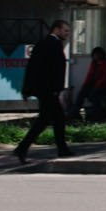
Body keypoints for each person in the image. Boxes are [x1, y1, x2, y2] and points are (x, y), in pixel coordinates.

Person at [13, 20, 75, 164]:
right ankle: (23, 148)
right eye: (65, 30)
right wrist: (54, 90)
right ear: (56, 29)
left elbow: (33, 68)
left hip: (46, 89)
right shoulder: (50, 45)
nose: (67, 33)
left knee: (53, 118)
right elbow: (48, 70)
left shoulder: (46, 44)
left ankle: (61, 148)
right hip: (48, 90)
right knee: (49, 119)